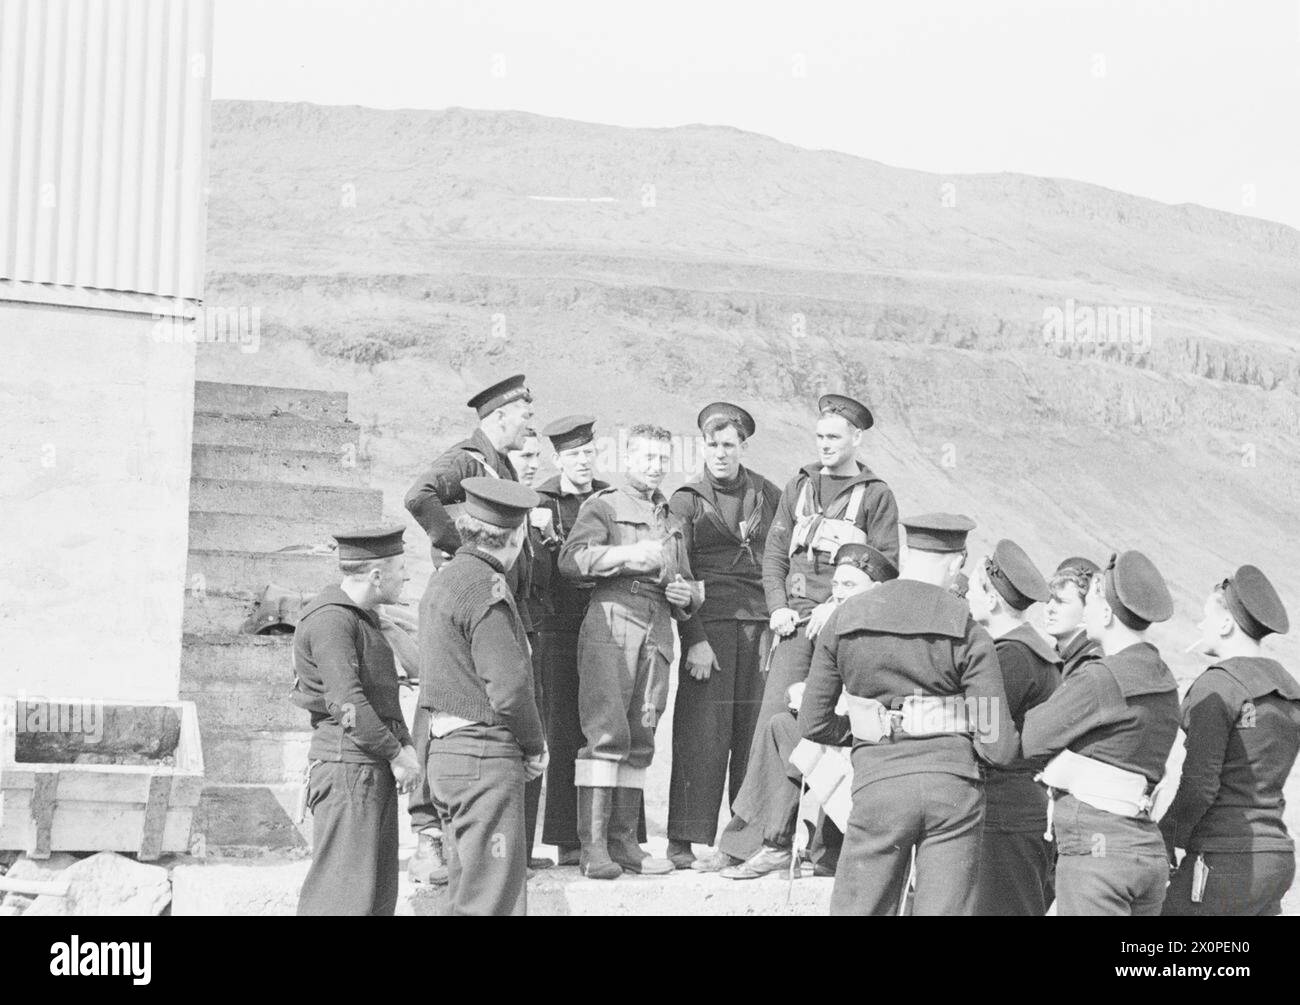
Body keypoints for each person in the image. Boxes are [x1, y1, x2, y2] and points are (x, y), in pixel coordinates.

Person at [698, 392, 899, 873]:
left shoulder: (876, 495)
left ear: (856, 438)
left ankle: (819, 847)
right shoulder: (799, 486)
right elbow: (774, 556)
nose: (825, 445)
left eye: (834, 437)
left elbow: (886, 569)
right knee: (771, 727)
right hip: (793, 627)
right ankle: (747, 843)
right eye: (820, 437)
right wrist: (777, 608)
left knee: (825, 729)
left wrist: (841, 608)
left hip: (844, 629)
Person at [800, 513, 1018, 915]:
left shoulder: (844, 619)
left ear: (904, 553)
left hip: (879, 785)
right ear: (957, 562)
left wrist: (872, 728)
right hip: (952, 791)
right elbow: (998, 746)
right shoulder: (968, 630)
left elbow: (812, 721)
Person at [403, 374, 536, 883]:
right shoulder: (466, 457)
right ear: (500, 416)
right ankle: (426, 833)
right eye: (525, 414)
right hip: (466, 596)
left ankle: (460, 838)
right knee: (439, 697)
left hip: (493, 597)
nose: (530, 423)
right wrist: (457, 545)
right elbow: (419, 496)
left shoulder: (499, 464)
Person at [559, 423, 699, 878]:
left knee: (642, 735)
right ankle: (594, 847)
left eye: (663, 459)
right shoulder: (602, 505)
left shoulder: (672, 517)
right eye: (647, 459)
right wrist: (625, 556)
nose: (656, 468)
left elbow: (689, 580)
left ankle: (624, 843)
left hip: (659, 623)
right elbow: (571, 560)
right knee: (605, 732)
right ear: (628, 459)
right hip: (613, 617)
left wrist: (687, 597)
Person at [717, 542, 897, 880]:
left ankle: (780, 844)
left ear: (876, 590)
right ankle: (777, 843)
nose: (840, 594)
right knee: (782, 726)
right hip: (841, 730)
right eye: (836, 585)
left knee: (802, 739)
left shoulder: (884, 632)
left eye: (850, 586)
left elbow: (882, 701)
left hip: (871, 740)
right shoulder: (837, 624)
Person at [1022, 550, 1180, 916]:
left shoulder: (1101, 677)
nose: (1088, 610)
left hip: (1096, 851)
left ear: (1107, 613)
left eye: (1091, 600)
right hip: (1141, 846)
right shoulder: (1163, 679)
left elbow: (1030, 738)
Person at [419, 477, 547, 916]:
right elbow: (509, 691)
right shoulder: (486, 588)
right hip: (484, 760)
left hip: (446, 757)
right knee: (492, 900)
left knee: (467, 896)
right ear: (516, 538)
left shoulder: (443, 579)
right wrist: (534, 746)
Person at [665, 402, 782, 869]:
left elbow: (781, 558)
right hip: (708, 627)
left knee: (753, 732)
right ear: (703, 447)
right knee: (701, 731)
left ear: (743, 447)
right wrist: (692, 635)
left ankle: (744, 839)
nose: (720, 453)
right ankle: (683, 838)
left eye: (729, 445)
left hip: (760, 627)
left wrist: (779, 617)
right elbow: (677, 570)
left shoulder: (770, 495)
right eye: (712, 445)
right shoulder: (685, 499)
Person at [293, 526, 421, 916]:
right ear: (377, 575)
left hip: (367, 768)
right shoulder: (332, 620)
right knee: (341, 899)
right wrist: (396, 754)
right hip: (349, 770)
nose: (407, 576)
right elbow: (346, 703)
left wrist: (404, 746)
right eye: (401, 569)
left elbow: (384, 695)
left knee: (373, 900)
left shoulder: (364, 619)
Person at [1161, 565, 1299, 915]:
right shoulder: (1289, 690)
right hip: (1276, 856)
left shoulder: (1217, 686)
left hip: (1223, 856)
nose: (1200, 625)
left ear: (1225, 624)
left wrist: (1165, 835)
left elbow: (1200, 785)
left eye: (1206, 616)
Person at [530, 415, 610, 866]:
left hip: (604, 622)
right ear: (557, 458)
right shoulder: (541, 501)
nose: (582, 461)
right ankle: (567, 839)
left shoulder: (607, 498)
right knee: (563, 731)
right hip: (558, 627)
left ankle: (612, 835)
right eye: (572, 455)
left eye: (587, 453)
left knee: (606, 726)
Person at [966, 539, 1060, 915]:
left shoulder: (1008, 658)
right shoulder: (1033, 650)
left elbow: (986, 736)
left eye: (973, 590)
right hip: (1022, 808)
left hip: (1002, 811)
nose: (968, 599)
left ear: (990, 600)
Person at [1046, 557, 1103, 679]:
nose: (1049, 608)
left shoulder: (1089, 667)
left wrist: (993, 699)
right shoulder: (1056, 654)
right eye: (1050, 598)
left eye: (1060, 602)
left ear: (1087, 611)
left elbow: (994, 698)